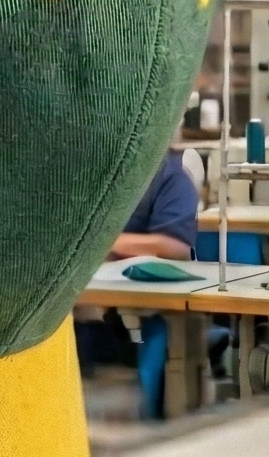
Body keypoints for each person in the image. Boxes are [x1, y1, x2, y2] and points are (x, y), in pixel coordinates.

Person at [75, 149, 201, 380]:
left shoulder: (170, 177)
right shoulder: (84, 169)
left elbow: (176, 248)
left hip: (128, 306)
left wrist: (102, 242)